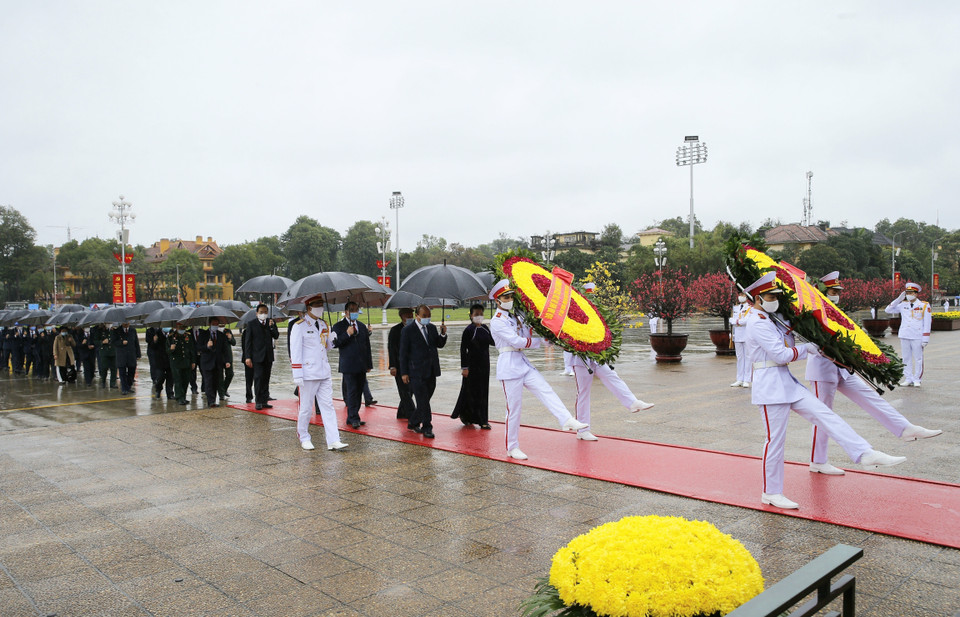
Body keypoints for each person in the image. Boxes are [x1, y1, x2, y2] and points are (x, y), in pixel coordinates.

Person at [743, 271, 905, 510]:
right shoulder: (756, 322)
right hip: (769, 387)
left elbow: (788, 341)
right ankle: (771, 492)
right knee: (775, 441)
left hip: (787, 384)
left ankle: (864, 453)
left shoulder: (771, 319)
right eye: (770, 296)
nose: (774, 300)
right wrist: (807, 348)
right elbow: (781, 355)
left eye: (776, 295)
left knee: (825, 415)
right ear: (757, 298)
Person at [805, 272, 941, 475]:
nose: (836, 295)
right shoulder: (812, 310)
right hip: (822, 370)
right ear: (823, 291)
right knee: (825, 416)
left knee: (871, 396)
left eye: (837, 292)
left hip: (843, 368)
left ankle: (905, 428)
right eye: (833, 292)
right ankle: (818, 460)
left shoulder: (834, 309)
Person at [488, 280, 588, 460]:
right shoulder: (496, 321)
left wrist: (535, 327)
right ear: (497, 300)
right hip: (509, 365)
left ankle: (566, 419)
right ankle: (512, 447)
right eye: (505, 297)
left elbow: (524, 336)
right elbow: (517, 342)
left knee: (545, 389)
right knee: (514, 409)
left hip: (522, 363)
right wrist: (539, 343)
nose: (509, 299)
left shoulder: (514, 316)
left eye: (511, 296)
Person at [290, 296, 347, 451]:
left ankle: (333, 440)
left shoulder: (323, 324)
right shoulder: (299, 326)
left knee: (328, 406)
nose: (321, 308)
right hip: (308, 373)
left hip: (323, 371)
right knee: (306, 408)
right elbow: (295, 351)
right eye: (317, 306)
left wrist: (332, 339)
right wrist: (297, 374)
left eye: (322, 305)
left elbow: (326, 347)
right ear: (309, 308)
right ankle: (304, 436)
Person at [399, 304, 448, 438]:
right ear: (417, 316)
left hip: (431, 370)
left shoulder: (431, 328)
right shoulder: (408, 330)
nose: (427, 318)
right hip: (416, 371)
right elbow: (403, 353)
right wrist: (404, 372)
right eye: (424, 316)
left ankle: (413, 421)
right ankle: (427, 427)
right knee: (423, 401)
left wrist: (443, 334)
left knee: (425, 400)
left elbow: (439, 344)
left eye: (429, 316)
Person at [452, 303, 495, 429]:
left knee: (483, 392)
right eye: (476, 314)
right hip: (472, 366)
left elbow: (493, 342)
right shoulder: (469, 330)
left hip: (484, 365)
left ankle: (482, 419)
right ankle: (468, 416)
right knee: (470, 392)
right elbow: (463, 349)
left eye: (481, 314)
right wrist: (464, 367)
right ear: (471, 315)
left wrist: (495, 330)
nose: (479, 316)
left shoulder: (486, 328)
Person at [331, 301, 372, 429]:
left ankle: (353, 416)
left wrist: (368, 363)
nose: (354, 312)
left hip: (361, 364)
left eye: (356, 309)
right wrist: (347, 334)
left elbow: (367, 346)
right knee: (352, 391)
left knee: (359, 391)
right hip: (348, 364)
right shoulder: (339, 326)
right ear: (346, 312)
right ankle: (353, 417)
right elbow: (335, 343)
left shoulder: (361, 326)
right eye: (352, 310)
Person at [885, 282, 932, 387]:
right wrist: (898, 299)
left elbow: (927, 322)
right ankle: (908, 378)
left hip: (917, 335)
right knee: (906, 358)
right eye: (907, 292)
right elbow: (887, 310)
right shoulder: (903, 305)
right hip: (905, 334)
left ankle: (917, 379)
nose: (908, 294)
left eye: (911, 292)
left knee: (918, 358)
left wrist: (925, 338)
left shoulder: (924, 305)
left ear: (916, 294)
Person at [243, 304, 280, 411]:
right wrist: (248, 357)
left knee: (266, 378)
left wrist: (272, 326)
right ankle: (258, 401)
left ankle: (264, 401)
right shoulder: (251, 324)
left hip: (268, 356)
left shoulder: (270, 322)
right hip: (257, 356)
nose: (263, 314)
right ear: (257, 313)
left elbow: (276, 335)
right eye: (261, 312)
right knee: (258, 378)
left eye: (265, 312)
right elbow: (248, 342)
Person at [387, 307, 416, 420]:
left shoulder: (415, 329)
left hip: (413, 365)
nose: (409, 317)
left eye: (411, 315)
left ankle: (401, 413)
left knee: (411, 390)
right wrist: (392, 366)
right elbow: (391, 349)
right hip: (399, 366)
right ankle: (412, 415)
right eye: (407, 315)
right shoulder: (395, 330)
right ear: (401, 316)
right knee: (404, 391)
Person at [197, 318, 231, 408]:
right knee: (208, 382)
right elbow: (198, 347)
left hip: (218, 363)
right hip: (207, 362)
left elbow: (225, 350)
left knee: (215, 382)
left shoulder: (221, 335)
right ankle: (211, 401)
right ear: (210, 324)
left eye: (217, 323)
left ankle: (213, 399)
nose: (215, 325)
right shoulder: (203, 334)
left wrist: (227, 361)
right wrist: (207, 346)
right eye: (213, 323)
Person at [168, 320, 196, 405]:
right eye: (180, 327)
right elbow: (167, 350)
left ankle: (183, 396)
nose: (182, 329)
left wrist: (193, 361)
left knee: (185, 380)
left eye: (184, 327)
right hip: (176, 362)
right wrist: (171, 349)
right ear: (176, 327)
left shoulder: (188, 336)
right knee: (178, 380)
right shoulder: (171, 337)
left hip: (186, 362)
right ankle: (179, 397)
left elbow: (192, 349)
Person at [111, 321, 141, 395]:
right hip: (122, 355)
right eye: (124, 323)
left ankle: (128, 386)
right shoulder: (116, 331)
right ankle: (124, 388)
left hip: (131, 355)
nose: (126, 324)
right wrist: (121, 342)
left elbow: (136, 343)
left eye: (128, 322)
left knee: (132, 371)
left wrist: (138, 354)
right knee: (122, 372)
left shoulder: (133, 330)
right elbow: (113, 342)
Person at [730, 291, 752, 388]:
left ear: (747, 296)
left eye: (743, 295)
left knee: (748, 357)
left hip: (746, 334)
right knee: (739, 358)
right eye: (740, 295)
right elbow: (731, 320)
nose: (741, 297)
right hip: (737, 335)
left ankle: (747, 379)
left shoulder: (750, 308)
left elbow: (747, 320)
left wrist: (737, 322)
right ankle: (739, 379)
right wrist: (736, 322)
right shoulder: (736, 308)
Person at [94, 323, 117, 388]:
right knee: (104, 367)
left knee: (114, 368)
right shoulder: (99, 330)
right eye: (107, 323)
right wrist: (102, 342)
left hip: (113, 351)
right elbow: (95, 341)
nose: (109, 324)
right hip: (104, 351)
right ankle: (103, 381)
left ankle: (113, 383)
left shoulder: (114, 330)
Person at [218, 324, 236, 400]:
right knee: (220, 376)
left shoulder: (227, 331)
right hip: (219, 356)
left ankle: (224, 389)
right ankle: (221, 393)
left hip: (228, 357)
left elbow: (234, 343)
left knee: (230, 374)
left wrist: (230, 338)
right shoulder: (215, 332)